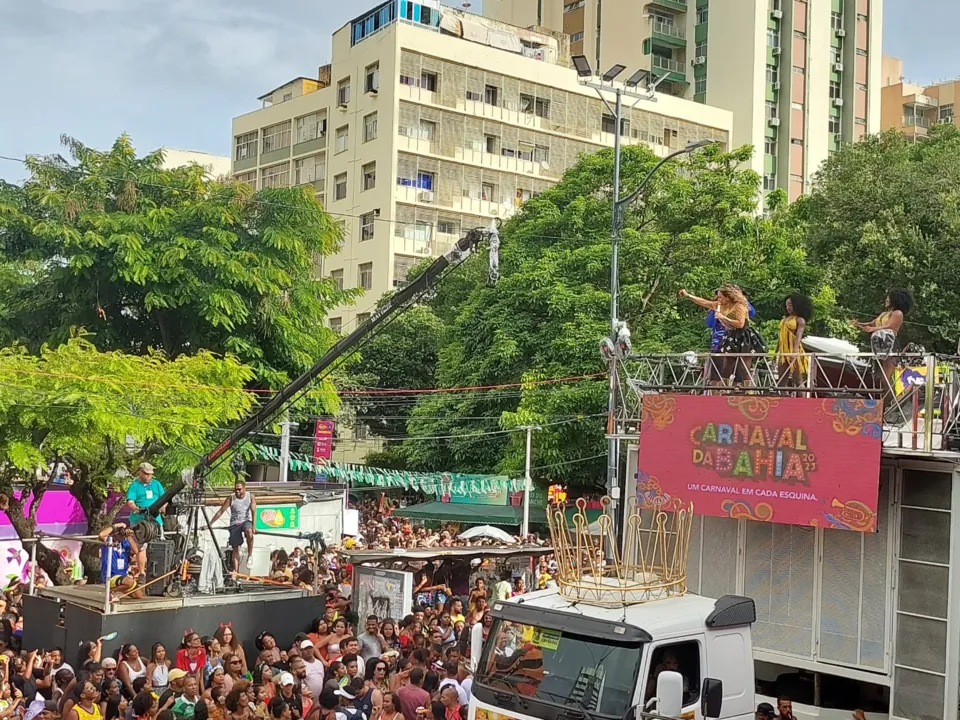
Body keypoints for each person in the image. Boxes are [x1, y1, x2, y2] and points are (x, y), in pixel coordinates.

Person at [851, 288, 913, 381]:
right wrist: (858, 324)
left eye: (888, 298)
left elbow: (889, 326)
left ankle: (891, 394)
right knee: (879, 376)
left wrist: (873, 329)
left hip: (890, 344)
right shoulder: (884, 314)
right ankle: (883, 394)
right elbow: (871, 323)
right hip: (880, 344)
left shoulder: (898, 313)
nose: (886, 300)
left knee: (886, 377)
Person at [125, 462, 165, 571]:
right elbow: (130, 502)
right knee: (141, 547)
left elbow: (165, 498)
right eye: (146, 473)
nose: (148, 476)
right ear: (140, 472)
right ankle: (142, 572)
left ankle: (158, 571)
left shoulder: (156, 484)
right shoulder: (134, 485)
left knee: (159, 545)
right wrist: (136, 509)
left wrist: (163, 508)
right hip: (139, 521)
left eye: (150, 474)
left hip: (155, 520)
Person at [210, 481, 257, 573]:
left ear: (244, 488)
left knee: (249, 531)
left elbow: (254, 512)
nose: (237, 491)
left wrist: (254, 526)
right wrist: (210, 524)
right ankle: (236, 571)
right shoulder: (231, 498)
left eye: (239, 489)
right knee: (236, 548)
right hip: (234, 524)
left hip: (245, 521)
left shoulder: (250, 496)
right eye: (235, 490)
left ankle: (250, 556)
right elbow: (220, 511)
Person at [98, 524, 143, 602]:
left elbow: (135, 551)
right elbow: (101, 535)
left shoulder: (125, 543)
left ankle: (120, 588)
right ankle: (111, 592)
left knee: (138, 595)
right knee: (129, 581)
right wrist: (114, 526)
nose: (122, 535)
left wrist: (129, 537)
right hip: (111, 576)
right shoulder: (109, 540)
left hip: (123, 576)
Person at [776, 293, 813, 387]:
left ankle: (802, 401)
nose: (788, 308)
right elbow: (780, 337)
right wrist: (776, 352)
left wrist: (795, 351)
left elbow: (798, 335)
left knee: (798, 380)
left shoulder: (800, 320)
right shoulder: (784, 319)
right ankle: (783, 400)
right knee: (781, 381)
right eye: (786, 305)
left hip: (795, 352)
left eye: (790, 305)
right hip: (784, 353)